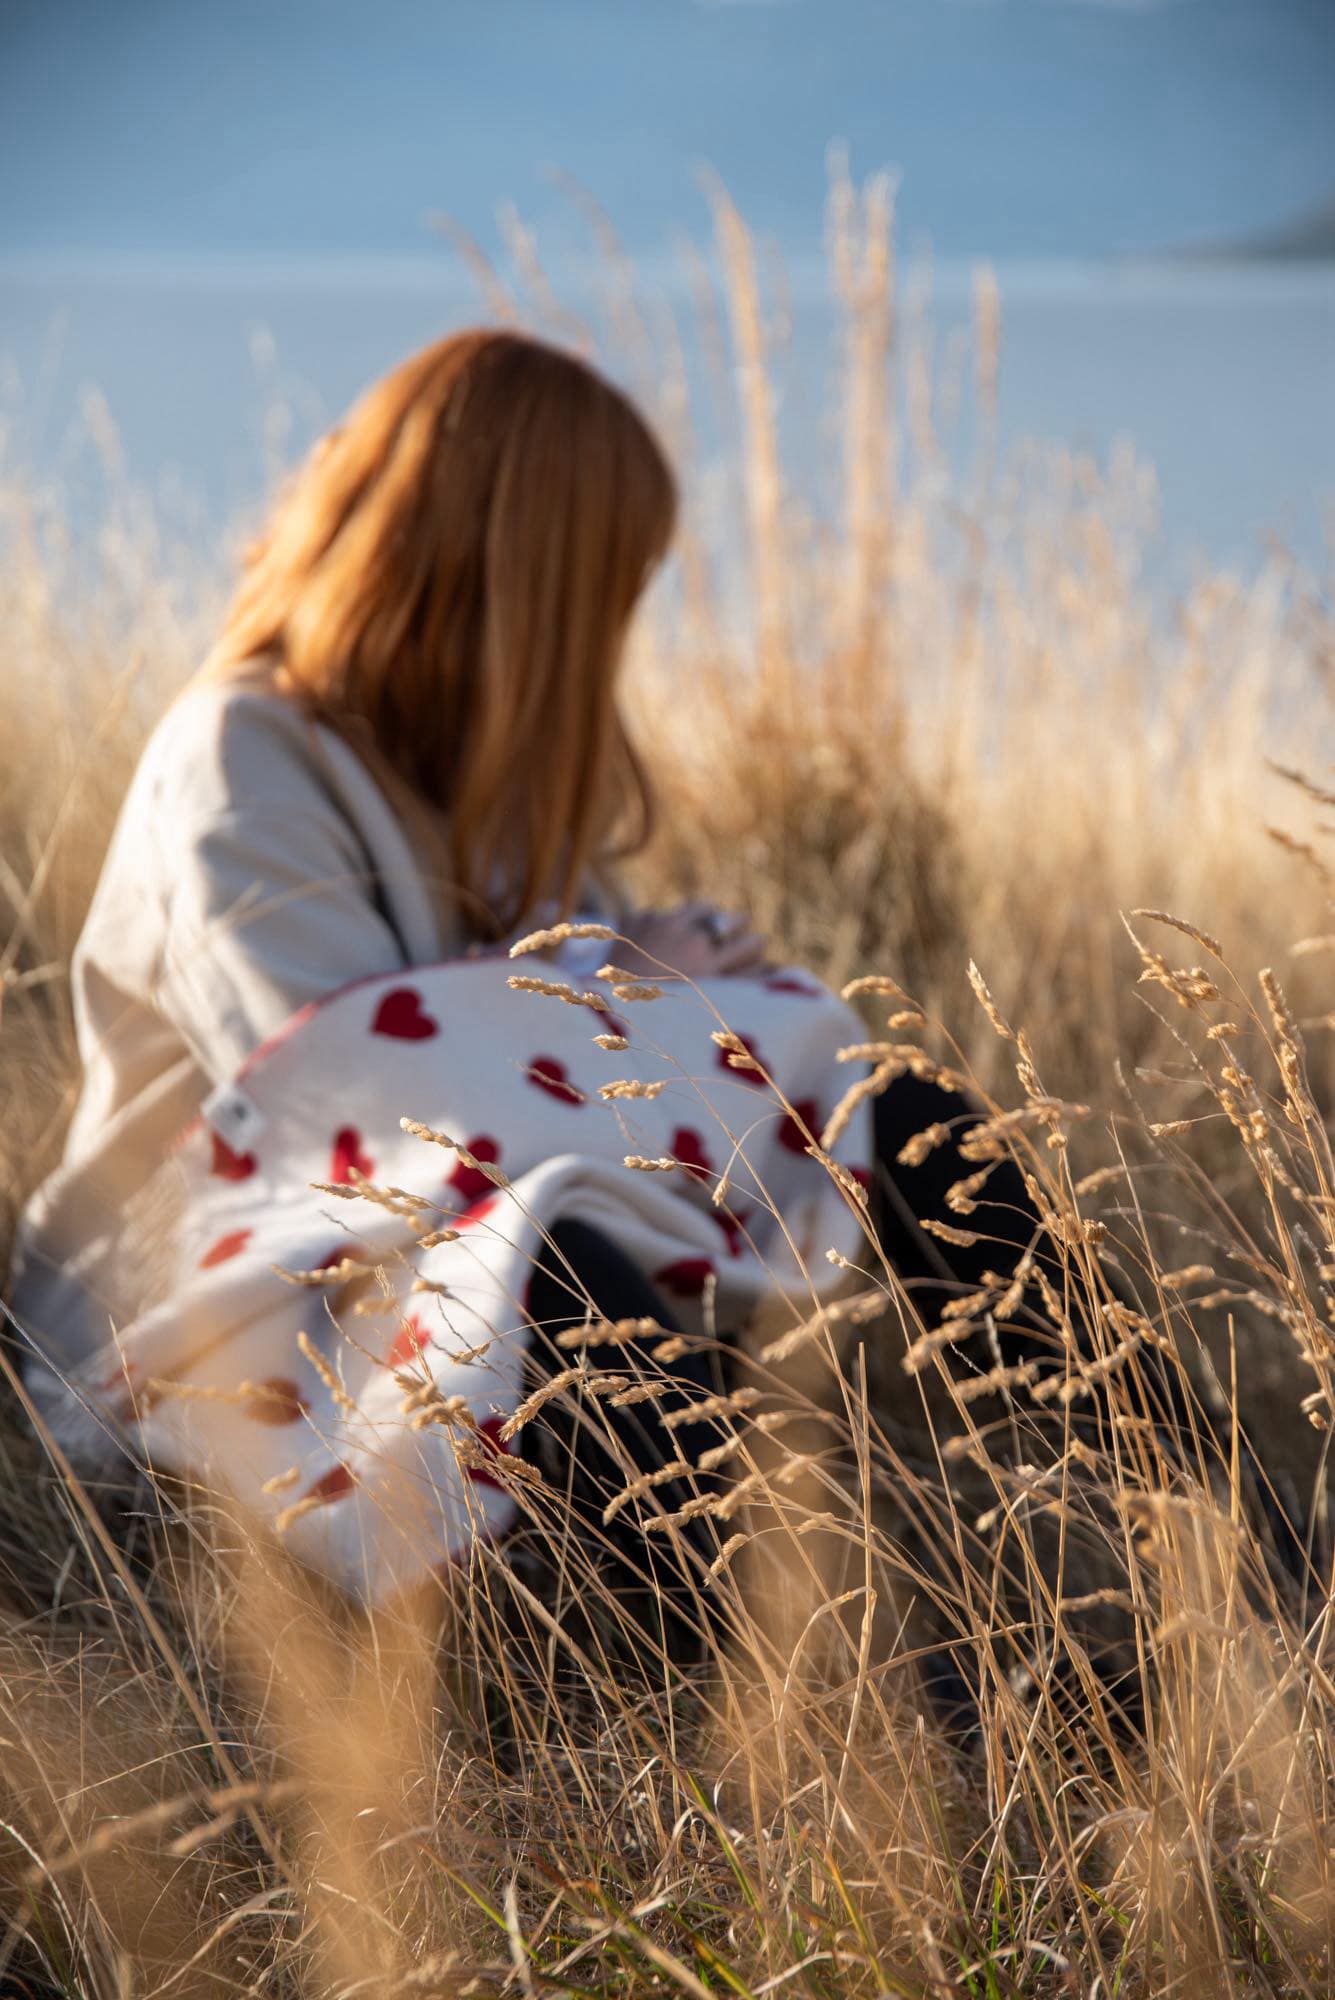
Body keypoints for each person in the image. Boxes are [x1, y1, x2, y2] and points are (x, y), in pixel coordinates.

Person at [7, 329, 1060, 1610]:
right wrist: (641, 990)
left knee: (888, 1112)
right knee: (574, 1285)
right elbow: (364, 1124)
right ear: (520, 579)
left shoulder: (498, 791)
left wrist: (680, 1007)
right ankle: (925, 1701)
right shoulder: (236, 760)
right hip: (211, 1351)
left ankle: (1208, 1540)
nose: (618, 621)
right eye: (610, 579)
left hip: (456, 1297)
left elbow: (555, 1061)